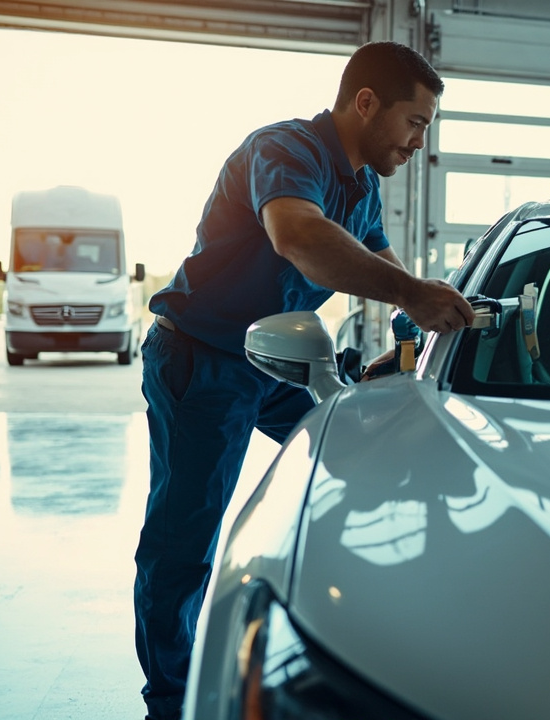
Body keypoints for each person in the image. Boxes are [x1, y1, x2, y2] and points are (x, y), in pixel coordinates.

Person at [132, 41, 473, 720]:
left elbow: (383, 266)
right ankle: (170, 702)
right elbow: (299, 237)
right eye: (416, 123)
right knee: (184, 543)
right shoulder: (287, 150)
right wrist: (411, 294)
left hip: (276, 360)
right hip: (203, 363)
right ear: (366, 103)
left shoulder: (363, 185)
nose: (417, 143)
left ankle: (347, 633)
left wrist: (411, 344)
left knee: (363, 463)